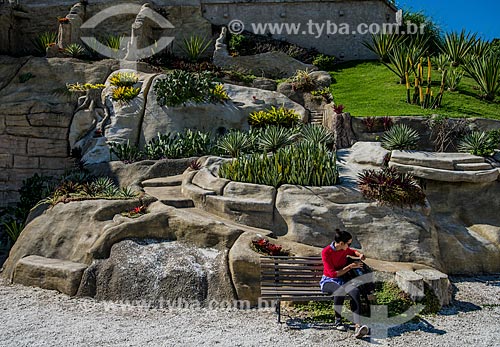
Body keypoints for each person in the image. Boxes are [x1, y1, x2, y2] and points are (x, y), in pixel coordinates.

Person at [320, 229, 369, 339]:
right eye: (349, 243)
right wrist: (350, 266)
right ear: (341, 243)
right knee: (340, 291)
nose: (350, 245)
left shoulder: (344, 249)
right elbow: (333, 274)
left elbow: (352, 252)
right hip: (328, 280)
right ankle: (338, 321)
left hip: (342, 279)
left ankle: (358, 326)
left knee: (355, 292)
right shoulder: (326, 252)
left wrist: (360, 255)